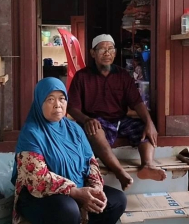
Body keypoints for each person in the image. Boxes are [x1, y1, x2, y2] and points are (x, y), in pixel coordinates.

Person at [11, 77, 126, 224]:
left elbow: (91, 162)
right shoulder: (31, 132)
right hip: (38, 195)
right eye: (50, 99)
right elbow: (37, 178)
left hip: (78, 188)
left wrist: (95, 187)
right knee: (68, 209)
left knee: (117, 200)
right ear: (40, 102)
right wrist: (75, 192)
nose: (58, 105)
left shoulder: (75, 129)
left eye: (62, 99)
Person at [67, 34, 167, 190]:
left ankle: (147, 165)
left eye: (110, 49)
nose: (107, 53)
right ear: (93, 53)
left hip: (120, 120)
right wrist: (86, 119)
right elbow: (72, 107)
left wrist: (149, 123)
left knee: (143, 128)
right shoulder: (82, 77)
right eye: (102, 49)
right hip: (96, 121)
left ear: (115, 52)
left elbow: (137, 102)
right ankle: (120, 173)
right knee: (95, 131)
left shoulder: (122, 75)